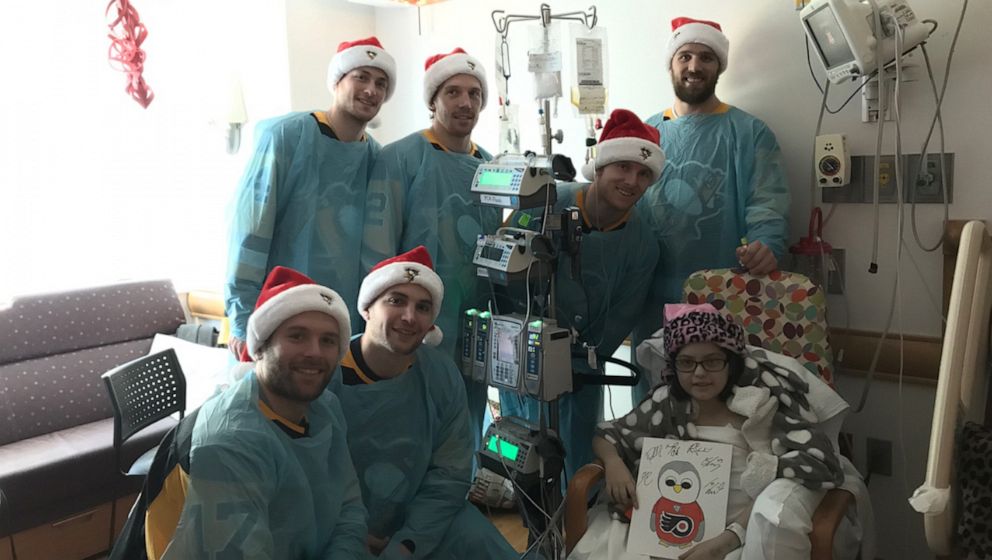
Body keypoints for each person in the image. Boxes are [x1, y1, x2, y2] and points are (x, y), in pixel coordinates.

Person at [569, 303, 870, 560]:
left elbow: (815, 462)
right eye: (687, 362)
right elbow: (607, 435)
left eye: (712, 361)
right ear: (674, 367)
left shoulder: (763, 406)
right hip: (668, 529)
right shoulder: (668, 404)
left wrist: (727, 538)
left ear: (732, 363)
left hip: (741, 531)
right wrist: (614, 464)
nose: (699, 373)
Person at [111, 266, 367, 559]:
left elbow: (348, 506)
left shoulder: (325, 409)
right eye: (297, 336)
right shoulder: (227, 442)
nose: (315, 352)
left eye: (328, 340)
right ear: (259, 347)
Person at [498, 108, 662, 480]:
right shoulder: (544, 204)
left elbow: (624, 313)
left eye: (643, 174)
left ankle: (577, 527)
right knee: (523, 452)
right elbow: (504, 267)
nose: (631, 181)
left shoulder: (642, 244)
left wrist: (580, 362)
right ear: (600, 168)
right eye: (622, 167)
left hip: (582, 367)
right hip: (523, 351)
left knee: (576, 460)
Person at [633, 17, 791, 401]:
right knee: (654, 412)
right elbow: (624, 208)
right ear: (671, 64)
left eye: (705, 57)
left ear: (719, 66)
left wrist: (766, 245)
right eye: (684, 55)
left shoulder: (749, 133)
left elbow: (767, 202)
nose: (694, 66)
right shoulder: (644, 136)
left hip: (722, 298)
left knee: (716, 413)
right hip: (649, 300)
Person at [330, 246, 518, 559]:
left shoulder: (441, 377)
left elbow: (449, 476)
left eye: (423, 307)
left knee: (477, 541)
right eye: (396, 300)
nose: (409, 317)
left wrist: (407, 545)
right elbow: (304, 477)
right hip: (334, 526)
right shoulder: (326, 378)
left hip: (423, 522)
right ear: (366, 308)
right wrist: (352, 534)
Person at [225, 36, 397, 360]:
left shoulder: (376, 158)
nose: (372, 90)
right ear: (337, 80)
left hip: (343, 324)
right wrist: (242, 321)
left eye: (381, 83)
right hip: (279, 315)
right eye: (361, 77)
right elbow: (249, 231)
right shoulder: (287, 138)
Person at [362, 48, 497, 448]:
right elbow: (377, 254)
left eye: (474, 94)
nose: (465, 102)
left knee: (464, 425)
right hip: (412, 324)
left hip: (474, 325)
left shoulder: (490, 168)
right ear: (433, 100)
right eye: (453, 92)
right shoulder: (400, 159)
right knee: (411, 428)